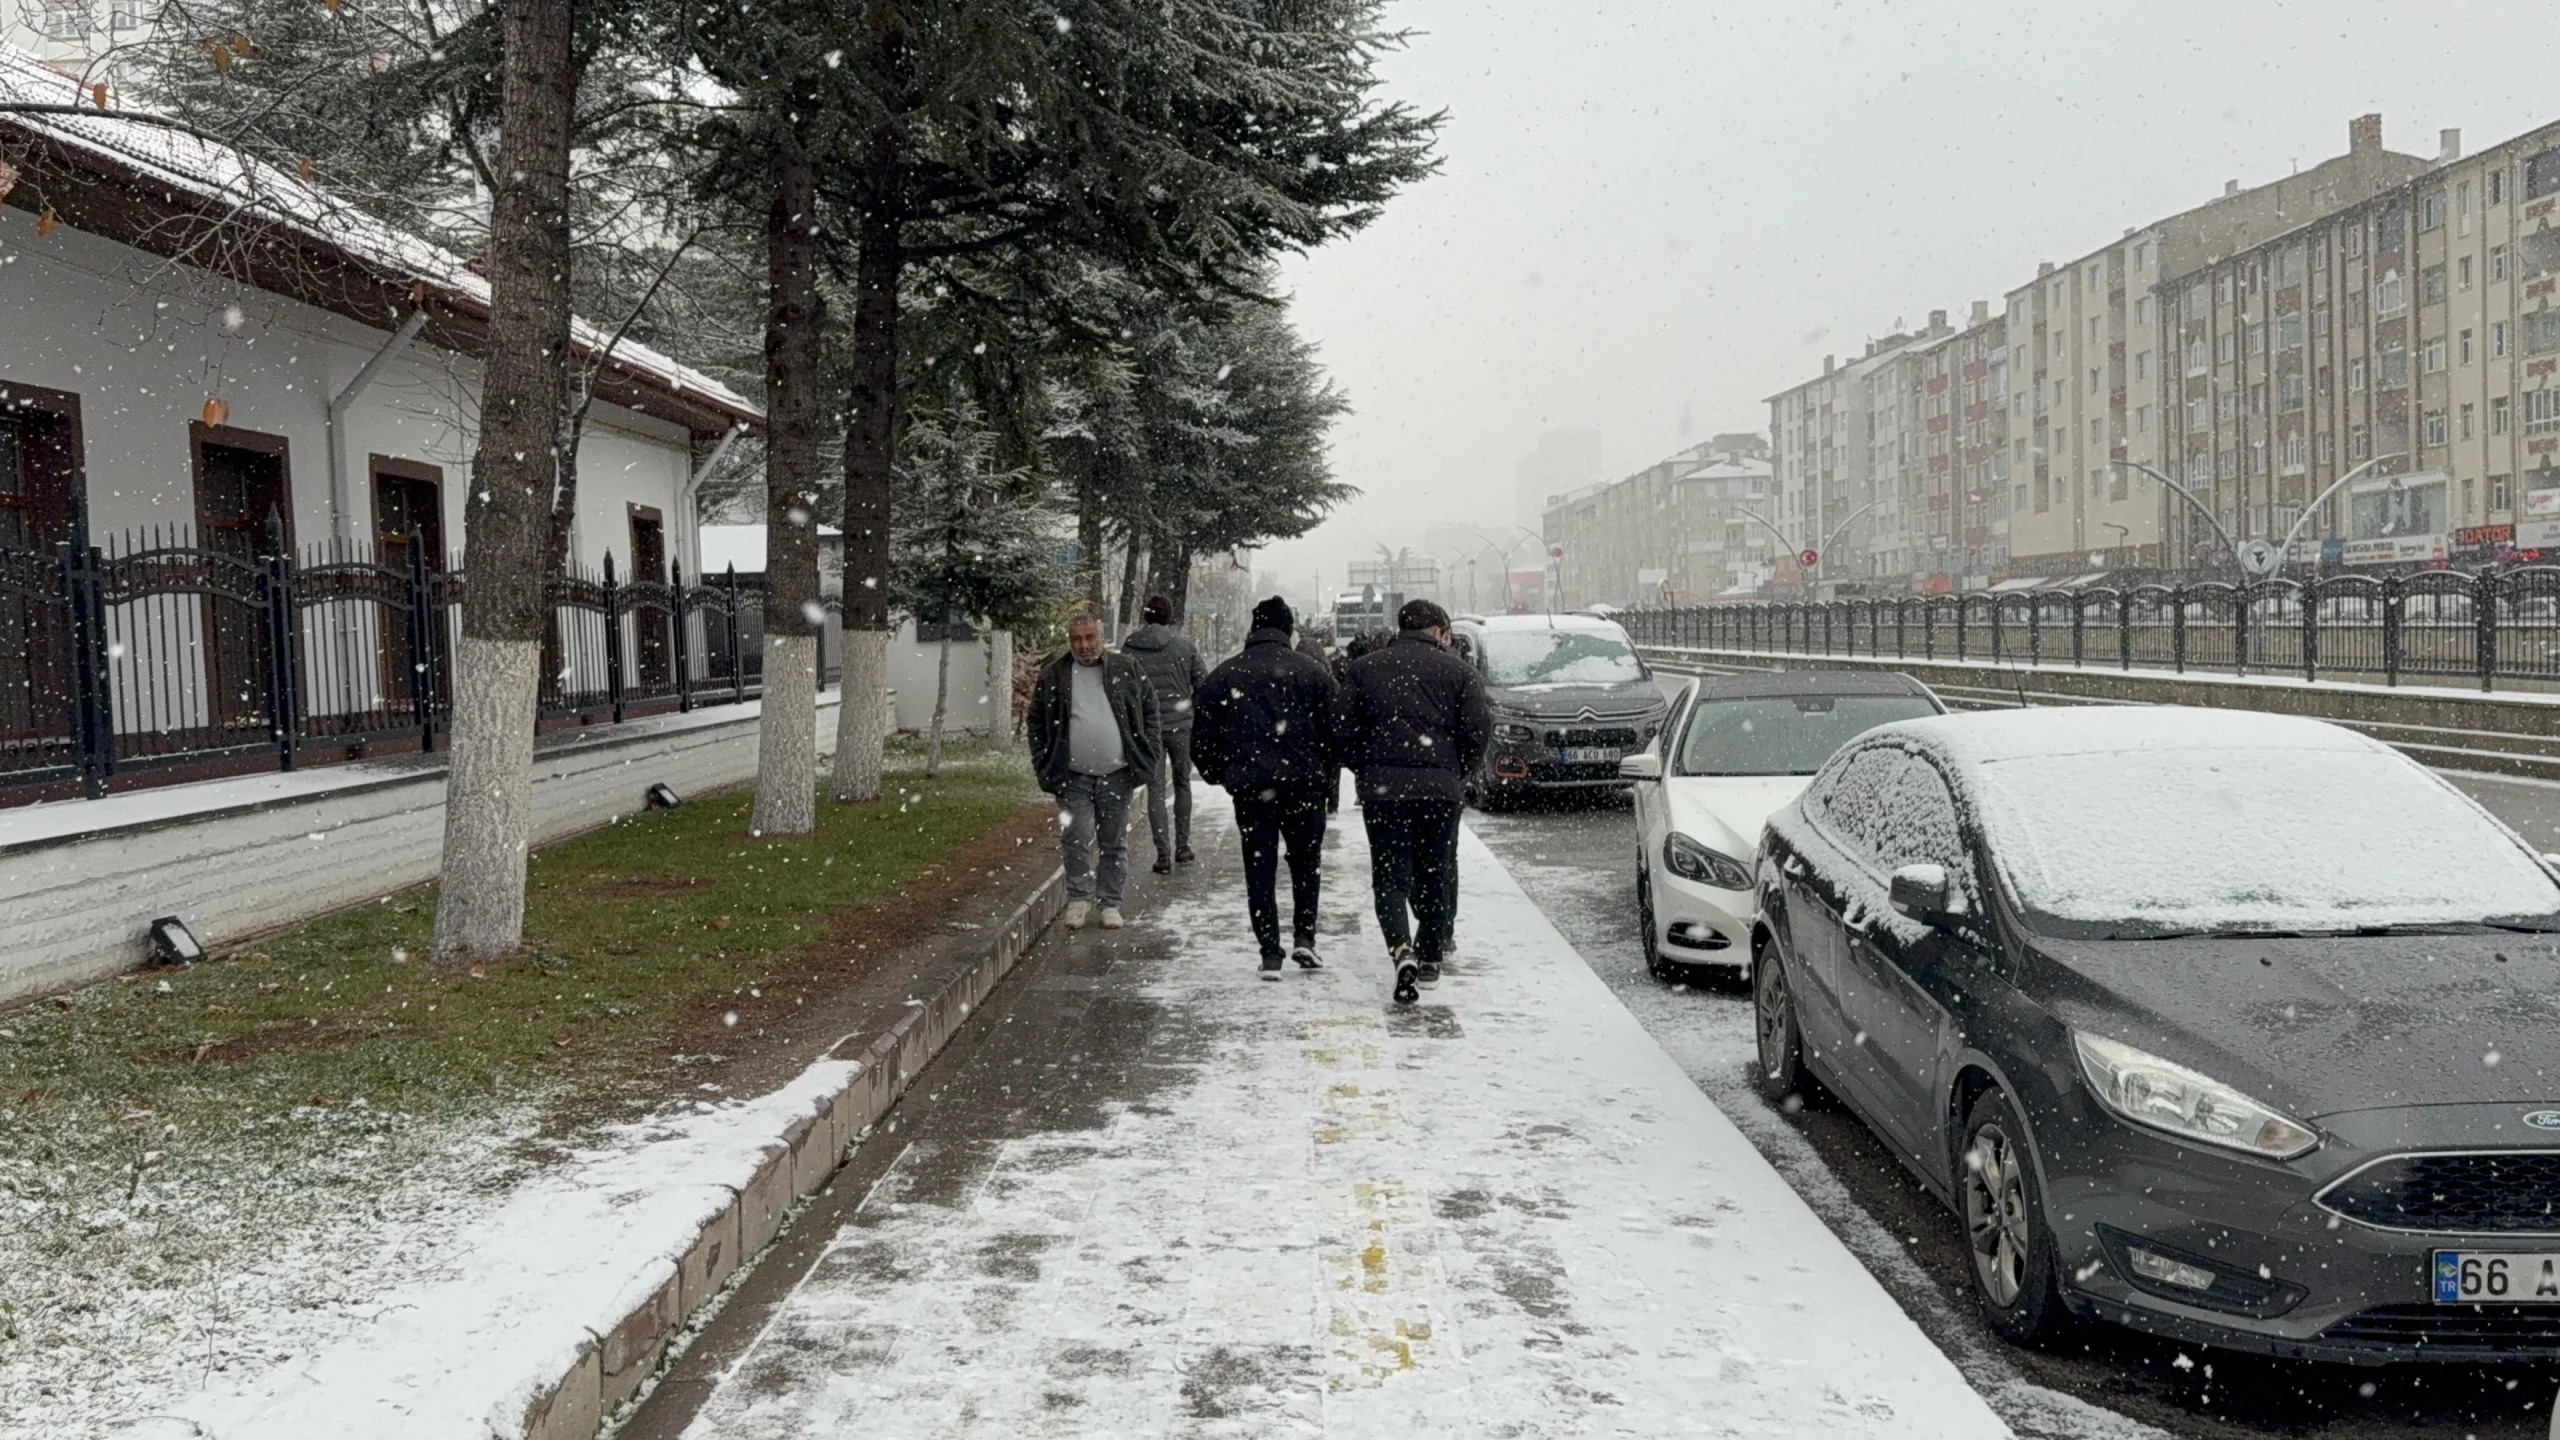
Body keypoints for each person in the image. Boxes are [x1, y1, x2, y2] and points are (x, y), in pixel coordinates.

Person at [1333, 598, 1490, 1005]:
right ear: (1439, 632)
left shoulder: (1364, 669)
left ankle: (1401, 948)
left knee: (1389, 876)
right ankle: (1431, 954)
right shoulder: (1460, 672)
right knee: (1436, 870)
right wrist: (1459, 772)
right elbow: (1477, 732)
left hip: (1383, 790)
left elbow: (1341, 731)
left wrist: (1366, 768)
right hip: (1439, 789)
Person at [1193, 596, 1339, 979]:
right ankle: (1305, 937)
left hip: (1253, 789)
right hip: (1305, 787)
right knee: (1306, 862)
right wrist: (1324, 777)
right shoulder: (1314, 674)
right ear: (1289, 630)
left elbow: (1203, 739)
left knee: (1260, 866)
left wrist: (1222, 775)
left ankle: (1270, 952)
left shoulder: (1225, 675)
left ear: (1252, 629)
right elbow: (1335, 734)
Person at [1027, 612, 1160, 930]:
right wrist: (1044, 762)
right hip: (1073, 776)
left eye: (1090, 637)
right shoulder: (1055, 675)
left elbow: (1149, 709)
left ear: (1102, 637)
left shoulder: (1125, 669)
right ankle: (1078, 899)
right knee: (1076, 837)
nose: (1084, 645)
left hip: (1117, 773)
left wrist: (1148, 752)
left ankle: (1110, 903)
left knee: (1114, 841)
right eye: (1077, 639)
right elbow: (1036, 722)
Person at [1120, 594, 1206, 874]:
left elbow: (1122, 690)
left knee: (1155, 788)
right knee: (1182, 783)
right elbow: (1202, 684)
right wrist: (1190, 707)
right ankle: (1183, 845)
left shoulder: (1130, 649)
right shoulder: (1185, 647)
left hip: (1149, 730)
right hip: (1182, 728)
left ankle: (1162, 854)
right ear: (1169, 617)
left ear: (1145, 616)